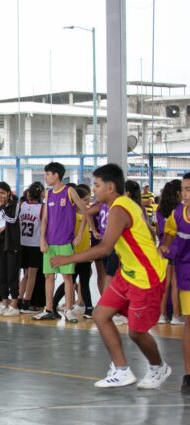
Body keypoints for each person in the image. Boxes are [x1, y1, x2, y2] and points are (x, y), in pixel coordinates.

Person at [50, 163, 171, 389]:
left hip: (147, 276)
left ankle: (158, 366)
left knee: (136, 332)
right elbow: (89, 209)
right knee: (101, 315)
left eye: (97, 185)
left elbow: (105, 248)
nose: (93, 189)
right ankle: (121, 370)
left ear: (111, 187)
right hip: (128, 273)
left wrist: (68, 259)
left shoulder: (120, 209)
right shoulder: (110, 203)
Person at [33, 162, 90, 323]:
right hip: (50, 243)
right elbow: (44, 219)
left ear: (56, 175)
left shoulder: (70, 191)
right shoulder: (48, 193)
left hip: (65, 242)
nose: (45, 177)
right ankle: (49, 309)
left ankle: (69, 310)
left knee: (67, 277)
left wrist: (79, 235)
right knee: (49, 276)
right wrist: (42, 239)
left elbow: (86, 210)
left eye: (47, 174)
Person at [159, 172, 190, 393]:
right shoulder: (176, 215)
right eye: (185, 189)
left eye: (189, 189)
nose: (186, 194)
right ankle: (188, 376)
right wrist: (164, 247)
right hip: (187, 276)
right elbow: (168, 237)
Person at [52, 185, 94, 318]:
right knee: (69, 281)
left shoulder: (87, 214)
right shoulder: (72, 215)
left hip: (85, 254)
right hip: (74, 255)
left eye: (88, 199)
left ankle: (88, 307)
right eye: (85, 200)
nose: (87, 202)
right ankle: (53, 303)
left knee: (85, 281)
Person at [155, 180, 182, 325]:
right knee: (176, 283)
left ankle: (162, 315)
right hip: (178, 247)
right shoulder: (181, 210)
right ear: (178, 193)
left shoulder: (159, 209)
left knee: (164, 284)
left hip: (164, 248)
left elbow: (159, 230)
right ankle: (176, 316)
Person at [0, 182, 21, 316]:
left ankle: (14, 305)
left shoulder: (15, 204)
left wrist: (3, 207)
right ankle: (4, 302)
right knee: (2, 274)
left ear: (9, 193)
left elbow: (13, 219)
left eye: (3, 193)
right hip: (0, 243)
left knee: (12, 274)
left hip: (12, 243)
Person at [18, 182, 44, 314]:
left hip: (23, 243)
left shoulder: (22, 205)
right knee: (32, 274)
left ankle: (19, 298)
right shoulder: (42, 208)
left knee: (26, 274)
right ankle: (27, 302)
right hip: (34, 244)